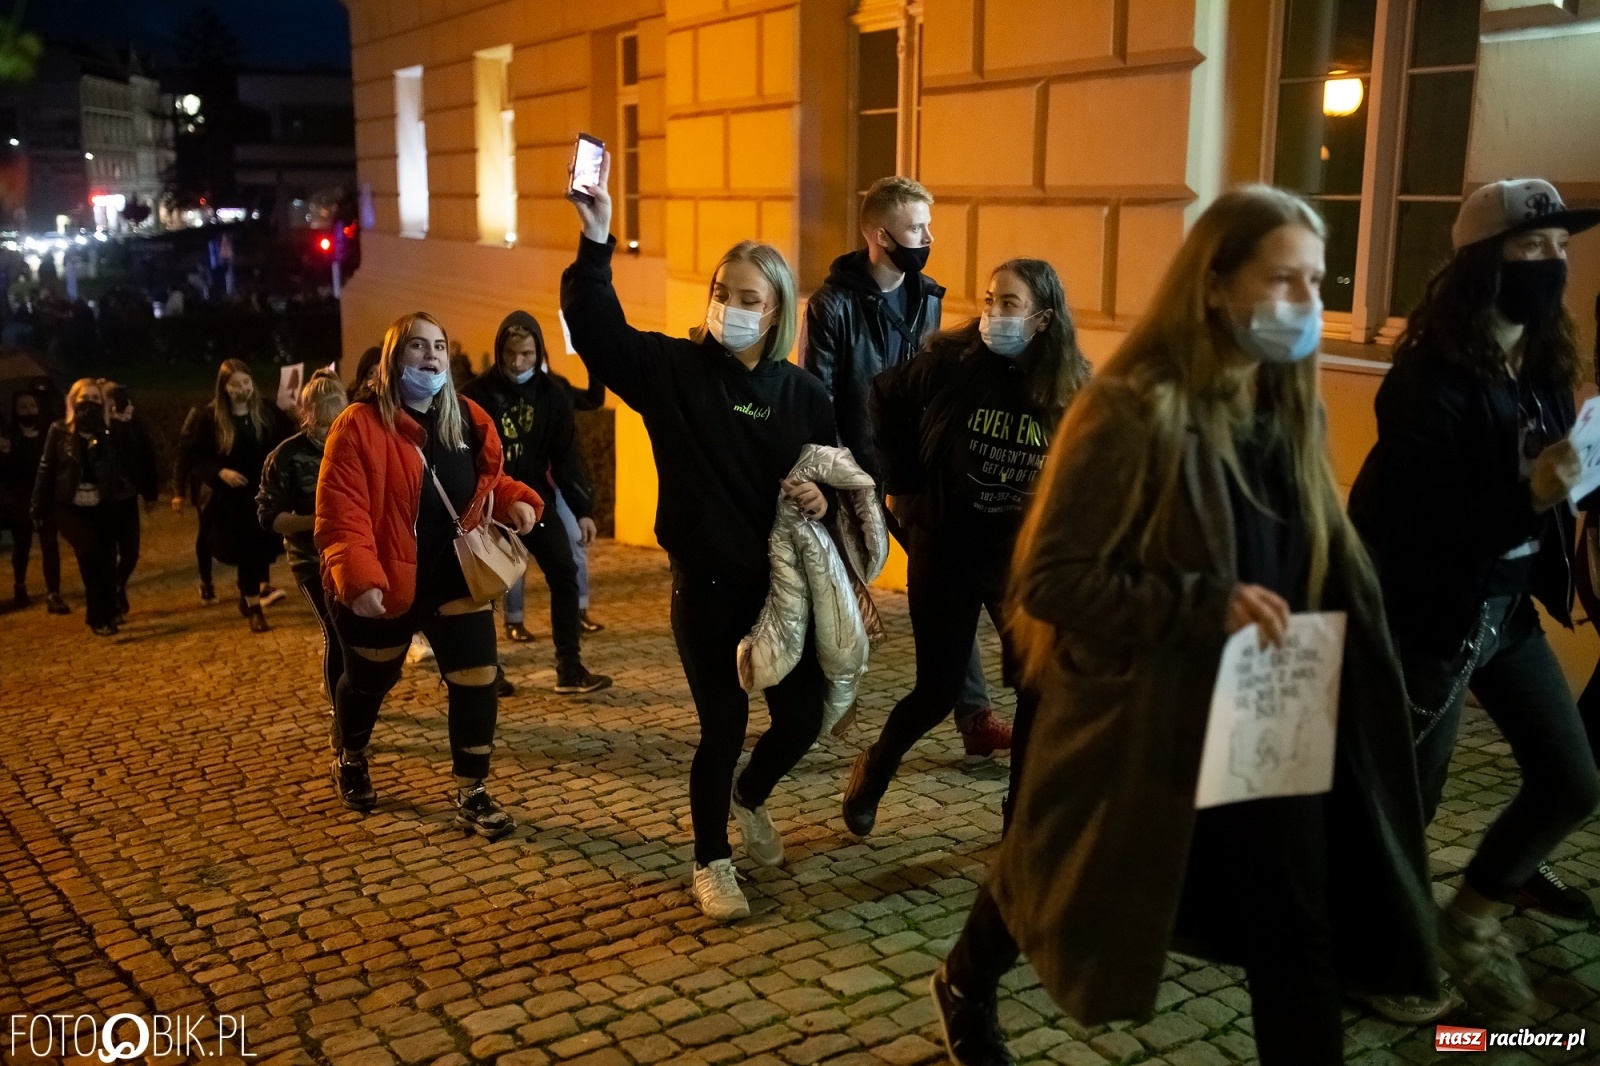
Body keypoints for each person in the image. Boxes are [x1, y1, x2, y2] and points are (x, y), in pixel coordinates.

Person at [929, 186, 1438, 1066]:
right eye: (1283, 280)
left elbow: (1316, 556)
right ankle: (966, 982)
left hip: (1272, 708)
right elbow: (1050, 579)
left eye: (1317, 282)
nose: (1307, 305)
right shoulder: (1130, 411)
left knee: (1296, 941)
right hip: (1150, 717)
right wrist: (1201, 606)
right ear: (1214, 284)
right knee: (1049, 871)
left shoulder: (1288, 411)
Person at [1348, 178, 1600, 1013]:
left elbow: (1555, 482)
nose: (1554, 264)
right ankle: (1380, 967)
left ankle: (1474, 915)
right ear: (1481, 264)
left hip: (1508, 613)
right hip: (1431, 617)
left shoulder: (1545, 363)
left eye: (1563, 248)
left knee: (1570, 780)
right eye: (1535, 248)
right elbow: (1420, 529)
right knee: (1404, 813)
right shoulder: (1428, 378)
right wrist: (1527, 493)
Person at [562, 151, 836, 921]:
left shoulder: (805, 396)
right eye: (722, 292)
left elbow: (838, 480)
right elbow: (599, 333)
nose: (731, 306)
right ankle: (711, 859)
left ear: (777, 310)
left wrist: (822, 494)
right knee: (724, 723)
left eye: (749, 297)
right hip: (707, 591)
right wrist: (597, 241)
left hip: (784, 595)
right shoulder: (676, 371)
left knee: (804, 717)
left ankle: (751, 796)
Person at [841, 259, 1089, 837]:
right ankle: (875, 767)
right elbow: (882, 394)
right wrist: (900, 481)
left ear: (1043, 318)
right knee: (938, 688)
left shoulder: (1070, 387)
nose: (992, 314)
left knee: (1037, 686)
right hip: (945, 545)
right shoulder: (954, 364)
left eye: (1009, 304)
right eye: (989, 300)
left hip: (1017, 560)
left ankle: (1018, 819)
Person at [802, 176, 1010, 754]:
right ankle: (814, 711)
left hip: (917, 477)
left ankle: (975, 721)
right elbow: (817, 397)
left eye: (927, 225)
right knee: (835, 597)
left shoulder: (929, 297)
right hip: (855, 474)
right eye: (916, 227)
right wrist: (840, 478)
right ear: (879, 234)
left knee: (952, 587)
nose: (927, 237)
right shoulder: (832, 305)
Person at [316, 311, 540, 837]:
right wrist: (360, 577)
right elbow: (341, 510)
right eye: (418, 346)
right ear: (395, 359)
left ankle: (472, 792)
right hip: (386, 583)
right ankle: (351, 754)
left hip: (454, 579)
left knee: (477, 679)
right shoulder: (357, 426)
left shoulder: (464, 418)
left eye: (438, 346)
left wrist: (517, 502)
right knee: (371, 681)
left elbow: (488, 481)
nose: (431, 356)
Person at [462, 311, 611, 693]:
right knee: (483, 588)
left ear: (538, 352)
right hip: (488, 504)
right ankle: (485, 670)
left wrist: (582, 509)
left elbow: (567, 455)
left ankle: (570, 667)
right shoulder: (476, 395)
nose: (517, 362)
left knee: (564, 571)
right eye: (510, 353)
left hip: (535, 502)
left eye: (526, 354)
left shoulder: (553, 394)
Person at [259, 371, 350, 745]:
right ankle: (340, 716)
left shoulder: (352, 444)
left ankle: (354, 697)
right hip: (310, 560)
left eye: (337, 421)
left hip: (351, 555)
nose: (331, 431)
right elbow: (269, 516)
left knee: (360, 634)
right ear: (308, 416)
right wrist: (316, 522)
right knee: (336, 632)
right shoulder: (287, 456)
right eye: (324, 423)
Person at [172, 359, 289, 631]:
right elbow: (196, 456)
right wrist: (220, 472)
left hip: (264, 493)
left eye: (246, 382)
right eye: (236, 384)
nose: (243, 389)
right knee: (247, 551)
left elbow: (285, 441)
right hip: (233, 499)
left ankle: (247, 595)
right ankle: (255, 607)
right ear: (224, 387)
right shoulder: (211, 419)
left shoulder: (267, 412)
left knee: (261, 552)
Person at [30, 379, 135, 636]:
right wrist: (37, 508)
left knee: (108, 558)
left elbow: (116, 468)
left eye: (95, 399)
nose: (89, 404)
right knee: (89, 553)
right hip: (69, 505)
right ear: (73, 401)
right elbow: (46, 469)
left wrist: (105, 436)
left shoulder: (106, 434)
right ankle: (96, 614)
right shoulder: (60, 431)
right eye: (84, 398)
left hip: (101, 504)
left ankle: (108, 613)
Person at [551, 362, 608, 633]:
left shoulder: (557, 387)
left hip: (560, 482)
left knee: (576, 542)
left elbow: (592, 399)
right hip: (524, 483)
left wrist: (592, 360)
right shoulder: (501, 391)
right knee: (517, 553)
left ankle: (580, 610)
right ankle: (514, 618)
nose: (521, 363)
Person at [99, 379, 159, 623]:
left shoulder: (132, 423)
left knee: (130, 552)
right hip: (103, 500)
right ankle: (111, 600)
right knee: (106, 552)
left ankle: (116, 586)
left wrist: (150, 493)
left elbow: (145, 455)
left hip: (126, 498)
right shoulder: (97, 425)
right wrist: (112, 424)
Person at [0, 387, 63, 611]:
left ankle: (53, 593)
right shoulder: (10, 437)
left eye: (32, 406)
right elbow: (6, 475)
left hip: (45, 498)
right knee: (22, 544)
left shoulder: (49, 433)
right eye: (23, 407)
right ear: (15, 410)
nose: (29, 411)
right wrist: (5, 455)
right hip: (19, 500)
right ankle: (20, 586)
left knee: (49, 544)